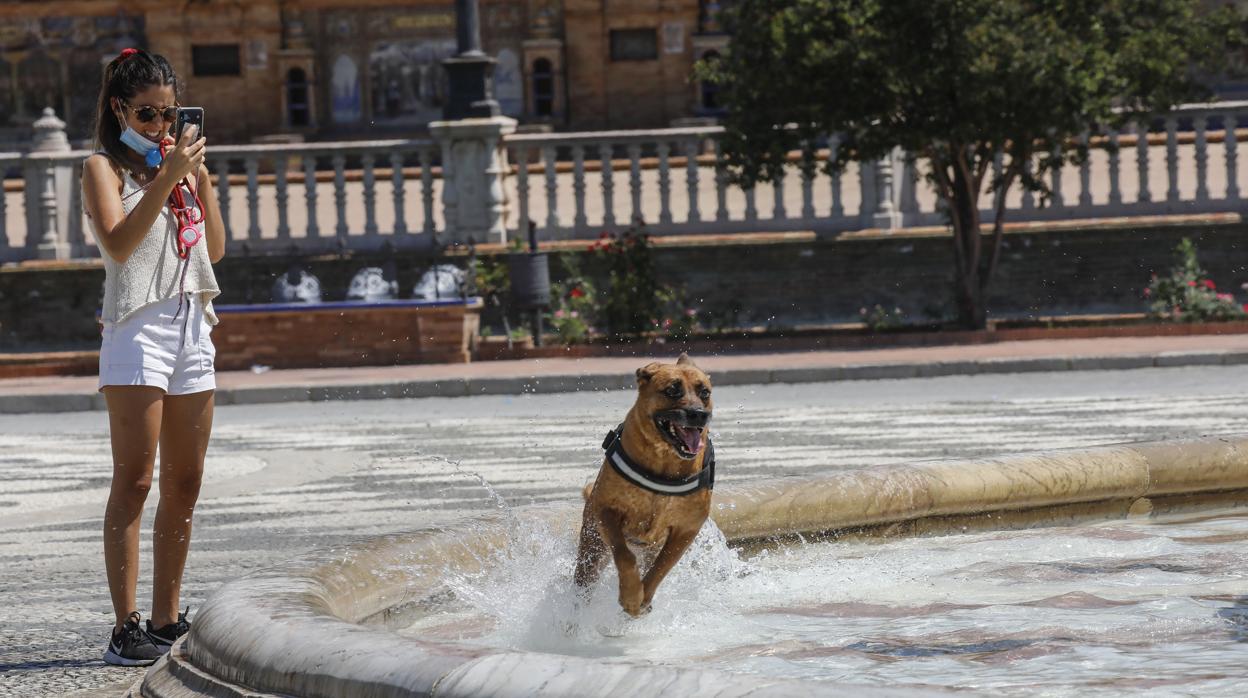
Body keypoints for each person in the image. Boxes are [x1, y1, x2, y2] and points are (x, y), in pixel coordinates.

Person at [80, 48, 225, 666]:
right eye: (147, 114)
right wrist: (165, 179)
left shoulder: (180, 167)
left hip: (192, 323)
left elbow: (214, 249)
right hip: (138, 328)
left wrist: (201, 182)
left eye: (169, 115)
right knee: (135, 481)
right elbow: (117, 244)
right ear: (119, 109)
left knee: (185, 482)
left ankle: (166, 617)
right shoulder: (102, 168)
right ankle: (125, 626)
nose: (161, 128)